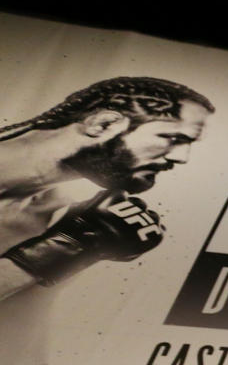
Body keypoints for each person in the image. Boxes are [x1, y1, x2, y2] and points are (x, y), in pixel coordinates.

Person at [0, 76, 214, 301]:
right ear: (103, 124)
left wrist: (79, 245)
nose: (181, 158)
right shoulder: (65, 223)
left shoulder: (57, 211)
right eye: (173, 138)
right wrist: (65, 247)